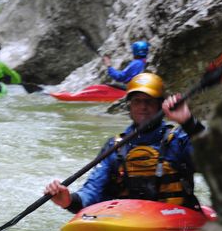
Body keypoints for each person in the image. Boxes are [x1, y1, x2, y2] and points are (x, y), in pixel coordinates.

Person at [44, 72, 205, 213]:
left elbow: (216, 162)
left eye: (149, 101)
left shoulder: (179, 140)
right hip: (130, 220)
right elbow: (92, 191)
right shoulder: (115, 146)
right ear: (129, 106)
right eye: (137, 101)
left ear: (160, 105)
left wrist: (189, 122)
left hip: (178, 220)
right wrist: (69, 201)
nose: (143, 107)